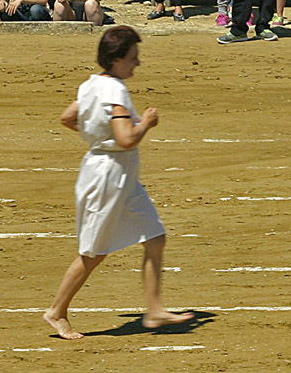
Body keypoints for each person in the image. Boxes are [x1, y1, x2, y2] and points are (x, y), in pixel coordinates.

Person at [44, 26, 195, 340]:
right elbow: (127, 139)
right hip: (107, 177)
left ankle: (154, 310)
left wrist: (99, 137)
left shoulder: (91, 84)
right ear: (116, 59)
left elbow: (68, 118)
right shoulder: (115, 91)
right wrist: (146, 124)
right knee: (93, 252)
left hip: (118, 174)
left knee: (155, 237)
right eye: (133, 57)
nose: (137, 63)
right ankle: (56, 311)